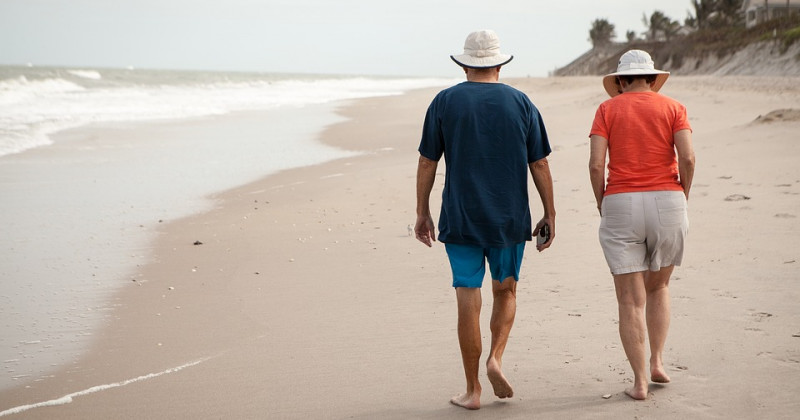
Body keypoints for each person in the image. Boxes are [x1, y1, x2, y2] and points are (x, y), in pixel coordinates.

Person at [415, 29, 555, 410]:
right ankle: (496, 357)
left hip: (461, 217)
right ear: (499, 64)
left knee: (467, 294)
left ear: (464, 65)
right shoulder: (521, 103)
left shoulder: (444, 102)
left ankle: (473, 389)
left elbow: (428, 160)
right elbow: (539, 162)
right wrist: (550, 213)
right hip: (509, 218)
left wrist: (422, 211)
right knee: (506, 290)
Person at [588, 49, 696, 400]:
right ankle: (658, 362)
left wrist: (603, 201)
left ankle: (638, 382)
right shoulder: (673, 108)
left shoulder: (607, 109)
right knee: (659, 287)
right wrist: (683, 194)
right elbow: (688, 157)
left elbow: (595, 165)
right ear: (652, 78)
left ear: (620, 81)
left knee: (630, 300)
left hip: (621, 201)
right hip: (668, 199)